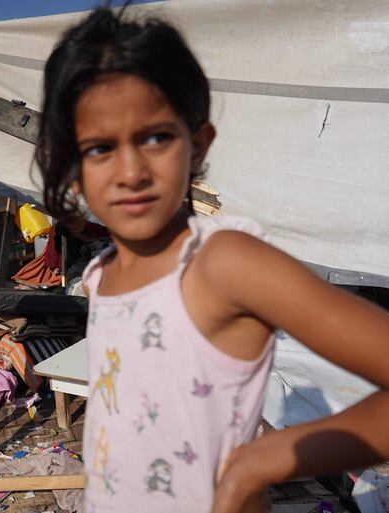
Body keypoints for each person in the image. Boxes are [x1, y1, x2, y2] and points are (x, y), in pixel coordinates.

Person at [35, 7, 389, 513]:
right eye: (99, 148)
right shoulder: (101, 275)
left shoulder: (223, 262)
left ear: (196, 146)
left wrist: (259, 462)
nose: (131, 171)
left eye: (155, 137)